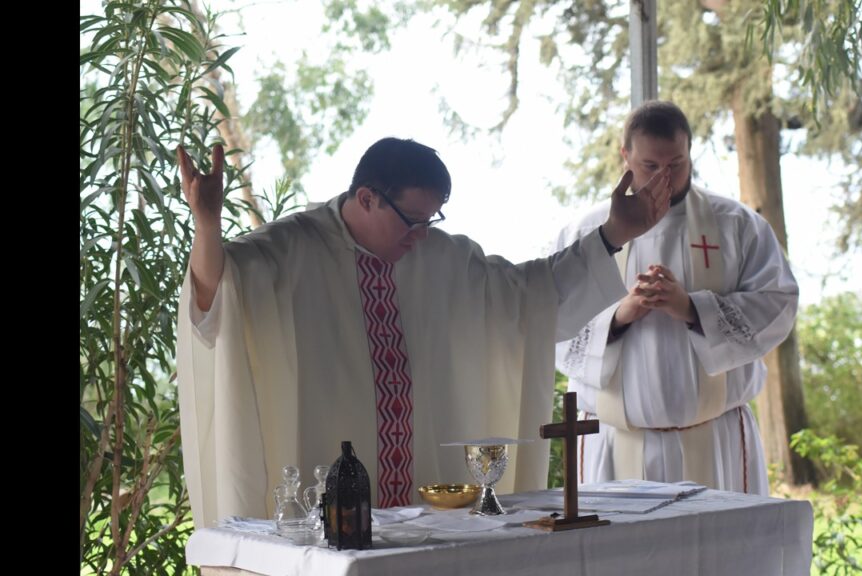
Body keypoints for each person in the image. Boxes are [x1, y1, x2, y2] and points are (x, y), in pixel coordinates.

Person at [176, 137, 672, 527]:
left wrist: (615, 234)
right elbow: (217, 295)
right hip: (329, 518)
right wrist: (206, 224)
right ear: (367, 198)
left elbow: (533, 295)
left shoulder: (445, 258)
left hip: (426, 516)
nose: (422, 234)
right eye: (412, 220)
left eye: (431, 219)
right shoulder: (290, 251)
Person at [552, 101, 799, 495]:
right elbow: (553, 321)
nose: (663, 177)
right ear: (625, 155)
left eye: (676, 164)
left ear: (690, 153)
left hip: (715, 441)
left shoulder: (737, 225)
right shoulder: (586, 232)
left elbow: (777, 302)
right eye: (650, 165)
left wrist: (692, 308)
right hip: (614, 442)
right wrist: (620, 316)